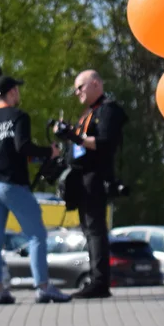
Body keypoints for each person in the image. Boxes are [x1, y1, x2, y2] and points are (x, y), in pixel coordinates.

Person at [0, 76, 71, 305]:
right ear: (9, 93)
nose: (18, 93)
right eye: (16, 89)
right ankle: (43, 287)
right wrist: (50, 152)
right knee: (36, 234)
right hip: (11, 183)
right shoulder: (19, 116)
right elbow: (22, 146)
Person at [55, 70, 128, 299]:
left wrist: (73, 136)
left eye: (81, 87)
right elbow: (78, 146)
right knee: (88, 229)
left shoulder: (109, 110)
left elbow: (105, 143)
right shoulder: (88, 113)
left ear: (96, 84)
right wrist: (65, 134)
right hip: (81, 177)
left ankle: (99, 283)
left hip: (96, 176)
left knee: (95, 230)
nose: (77, 92)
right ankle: (95, 279)